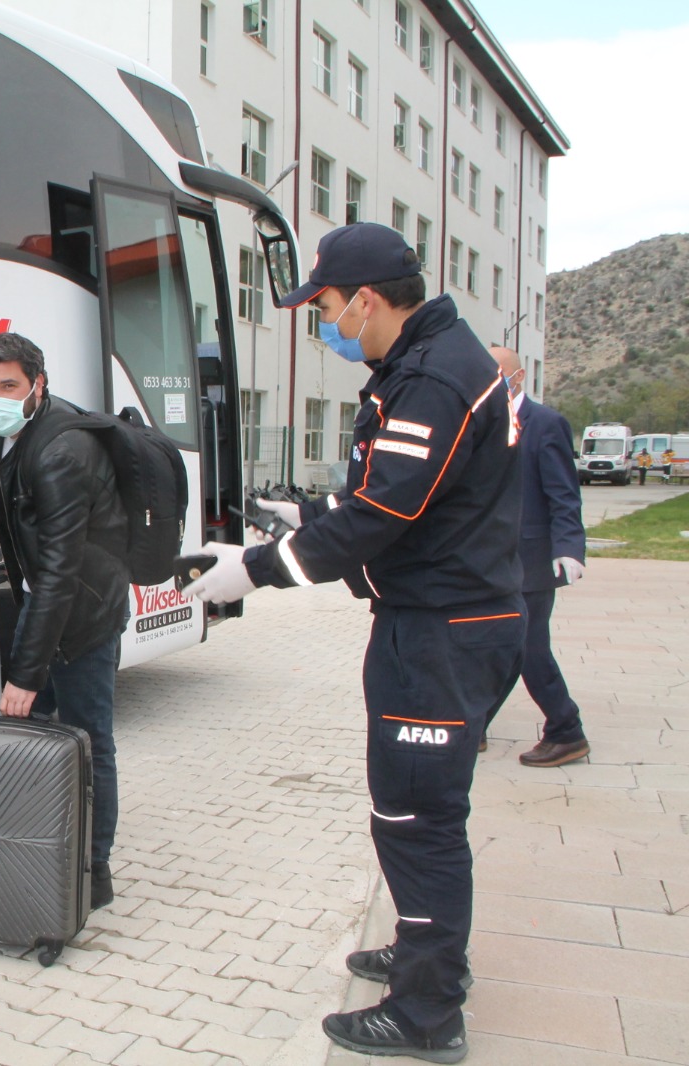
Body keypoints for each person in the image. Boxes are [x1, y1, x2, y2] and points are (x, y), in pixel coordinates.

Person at [186, 223, 522, 1064]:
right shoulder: (424, 365)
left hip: (442, 631)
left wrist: (257, 571)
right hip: (440, 623)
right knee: (412, 810)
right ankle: (422, 951)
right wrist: (307, 521)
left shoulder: (434, 379)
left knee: (418, 817)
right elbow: (404, 496)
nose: (325, 323)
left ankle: (428, 1011)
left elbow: (386, 514)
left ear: (367, 300)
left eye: (326, 307)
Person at [0, 331, 130, 910]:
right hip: (50, 604)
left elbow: (61, 573)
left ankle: (93, 874)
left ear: (37, 384)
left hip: (84, 613)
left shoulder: (61, 452)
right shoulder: (10, 437)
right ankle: (39, 852)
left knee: (90, 742)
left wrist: (26, 672)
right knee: (34, 739)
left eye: (8, 385)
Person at [486, 346, 591, 768]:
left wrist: (568, 546)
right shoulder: (481, 421)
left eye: (499, 375)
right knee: (499, 647)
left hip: (532, 560)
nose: (492, 383)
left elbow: (564, 493)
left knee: (529, 648)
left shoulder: (546, 424)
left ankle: (566, 730)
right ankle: (474, 726)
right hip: (492, 557)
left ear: (519, 377)